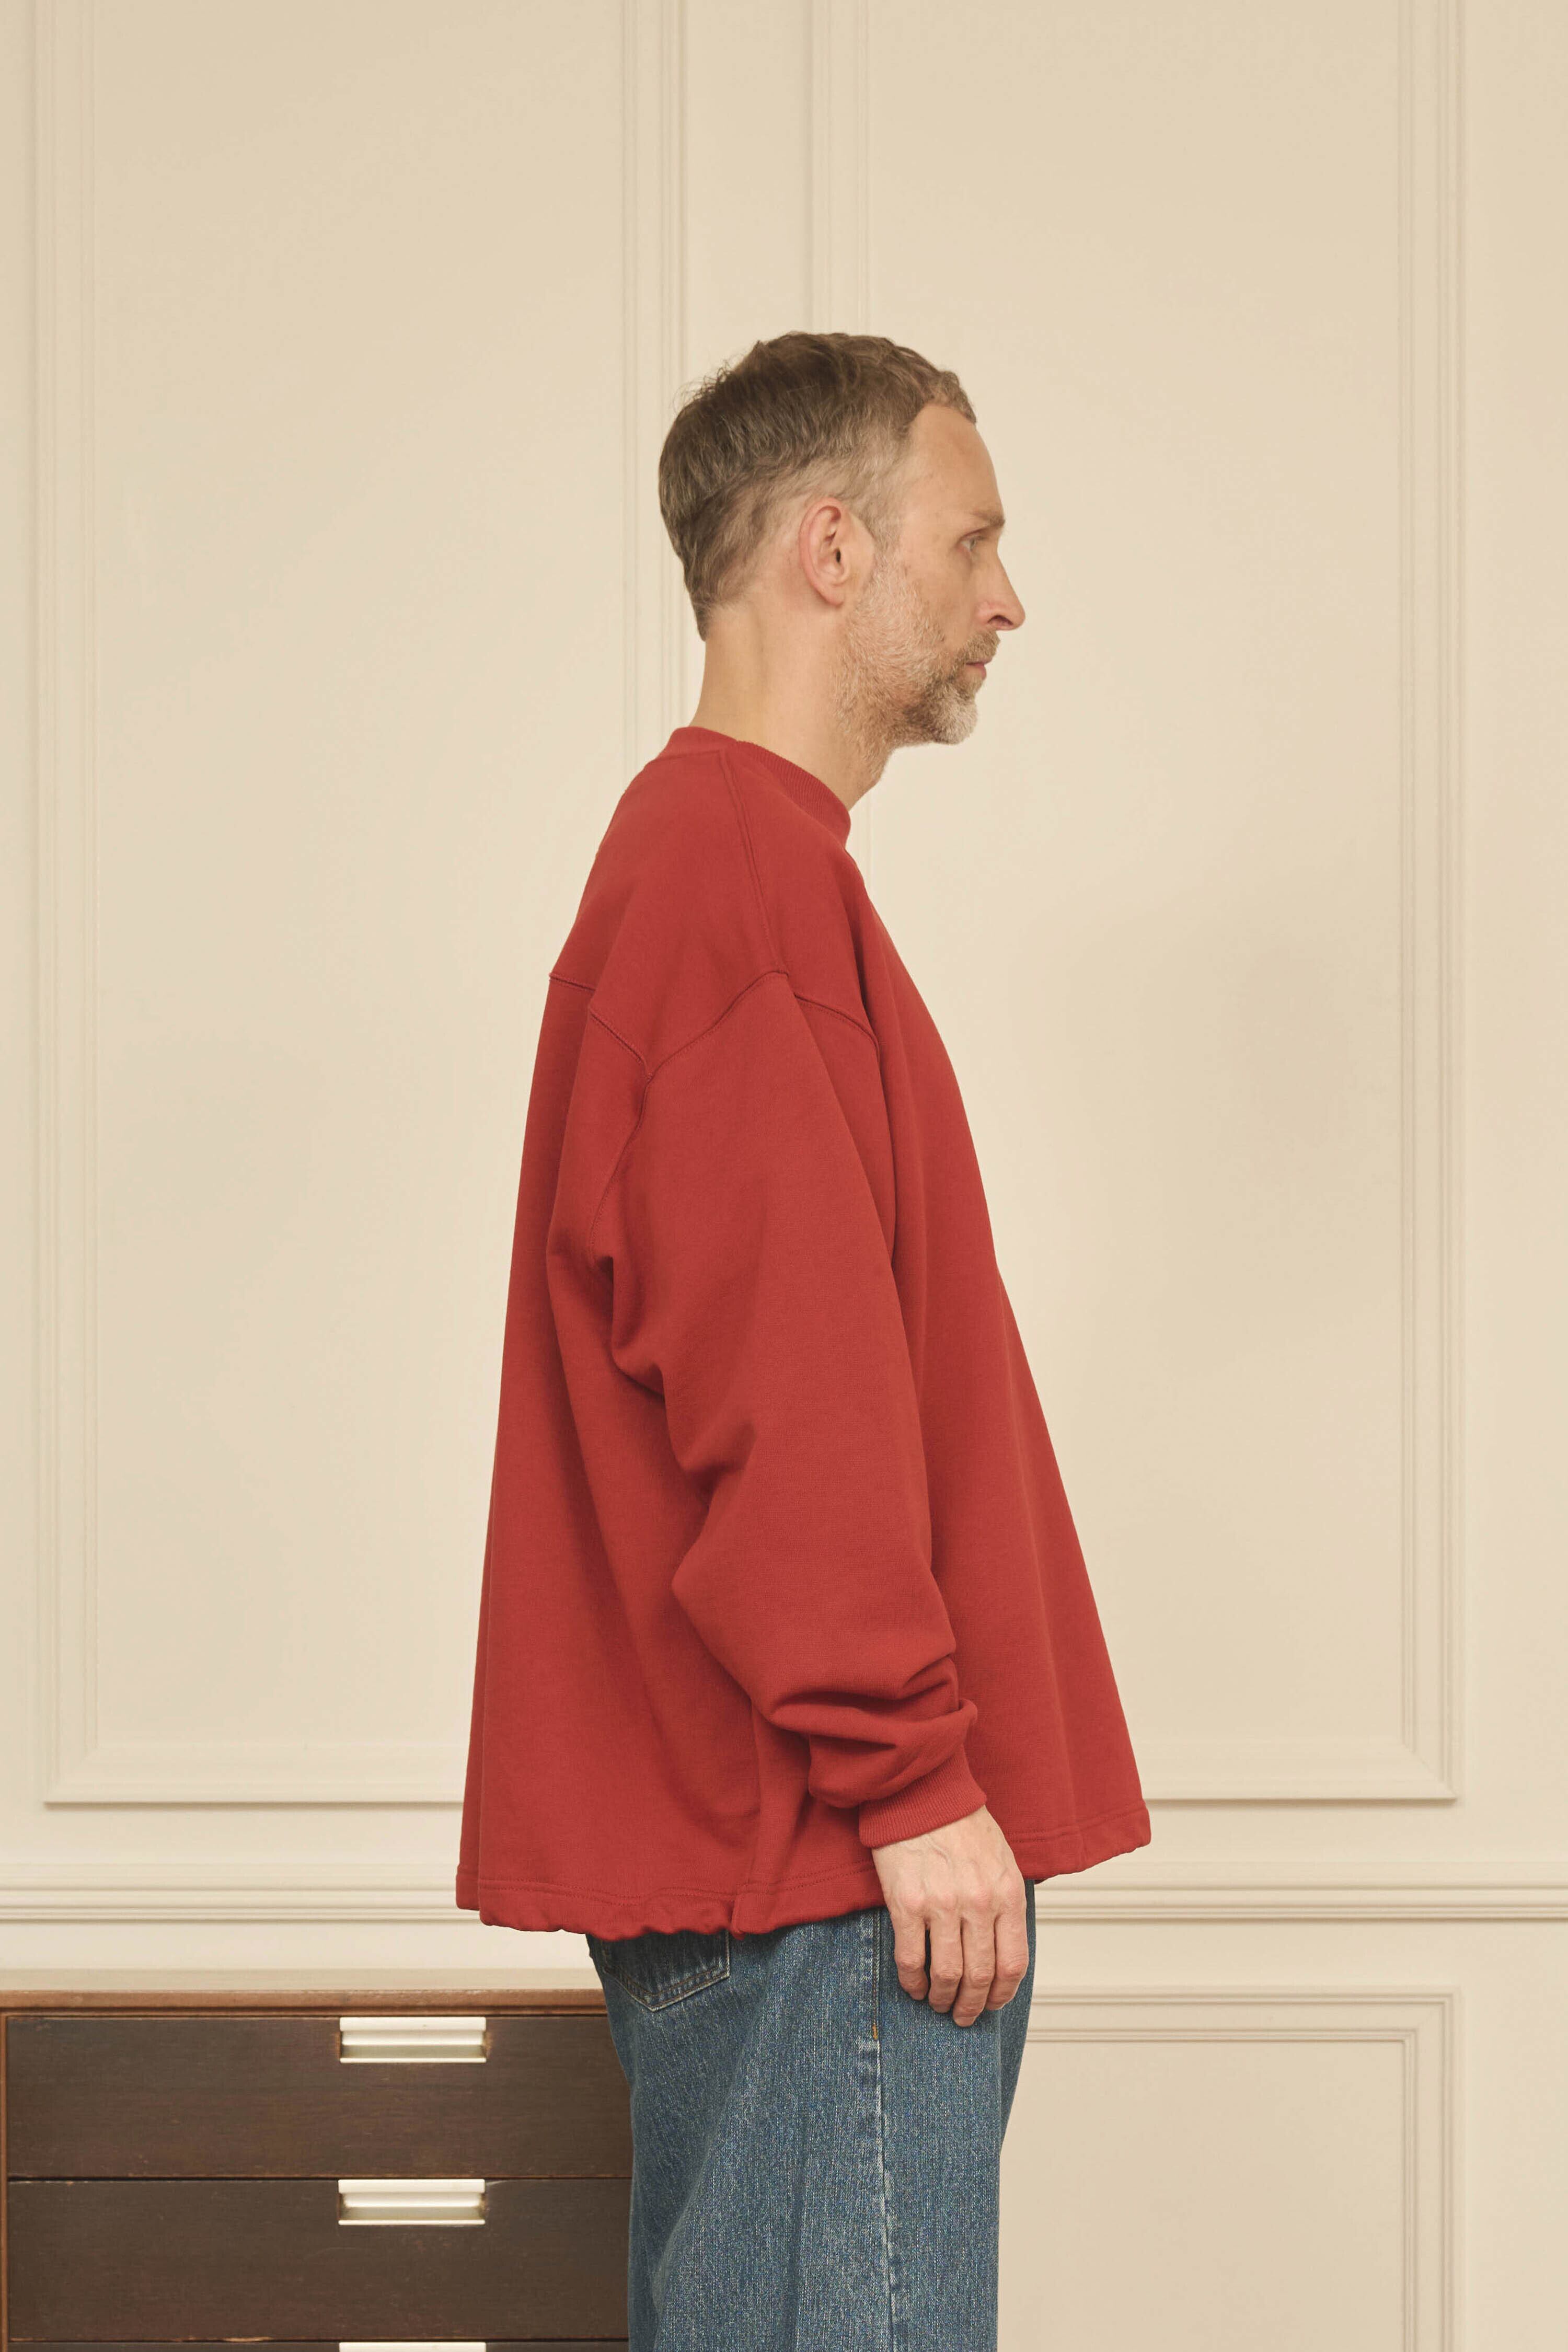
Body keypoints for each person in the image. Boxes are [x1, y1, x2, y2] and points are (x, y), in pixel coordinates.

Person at [456, 330, 1151, 2349]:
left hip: (806, 1868)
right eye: (974, 538)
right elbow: (789, 1383)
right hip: (830, 1868)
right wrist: (913, 1774)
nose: (1007, 597)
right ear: (833, 549)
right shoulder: (732, 886)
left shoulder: (732, 875)